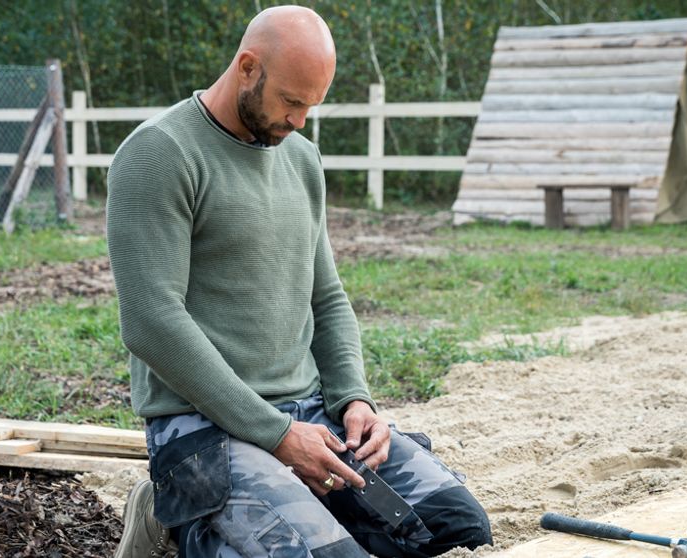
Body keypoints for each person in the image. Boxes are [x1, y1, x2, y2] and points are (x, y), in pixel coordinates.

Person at [106, 5, 492, 557]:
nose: (301, 121)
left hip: (310, 413)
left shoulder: (302, 158)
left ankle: (297, 506)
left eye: (312, 105)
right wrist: (278, 436)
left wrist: (354, 400)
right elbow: (151, 321)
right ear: (247, 68)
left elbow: (326, 298)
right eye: (291, 101)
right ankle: (177, 517)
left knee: (459, 530)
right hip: (203, 428)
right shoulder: (160, 153)